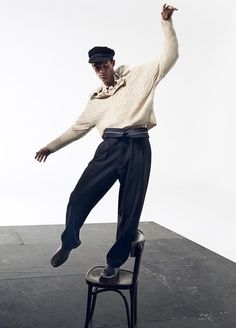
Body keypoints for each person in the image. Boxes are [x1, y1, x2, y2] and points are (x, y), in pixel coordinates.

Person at [35, 4, 179, 280]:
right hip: (110, 148)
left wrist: (166, 23)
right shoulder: (96, 100)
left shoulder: (139, 76)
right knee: (79, 197)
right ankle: (69, 240)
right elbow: (78, 128)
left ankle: (114, 262)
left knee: (130, 210)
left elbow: (169, 57)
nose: (101, 70)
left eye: (104, 65)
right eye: (96, 67)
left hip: (138, 146)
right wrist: (50, 147)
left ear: (113, 62)